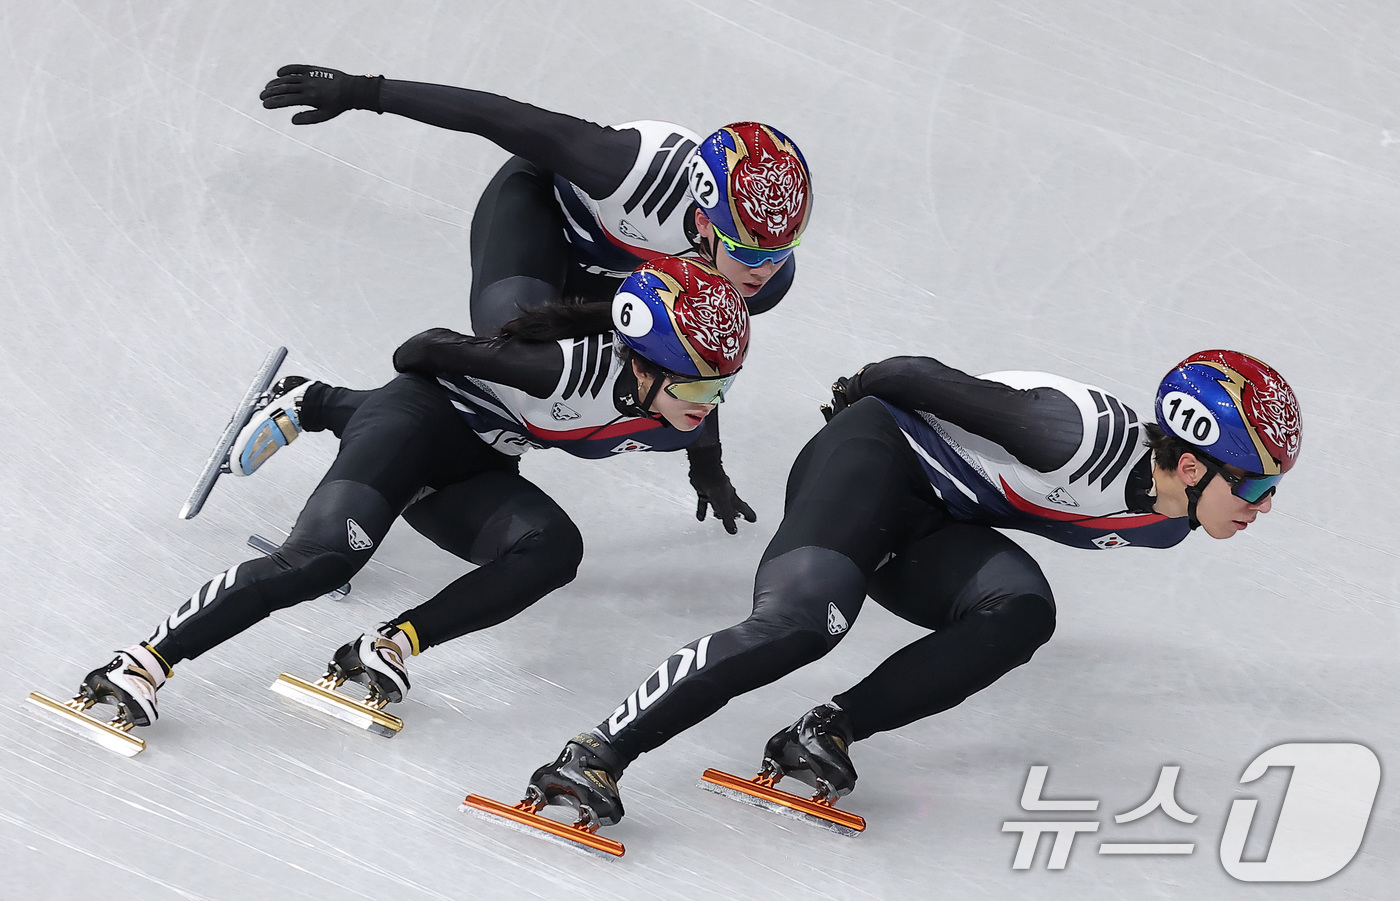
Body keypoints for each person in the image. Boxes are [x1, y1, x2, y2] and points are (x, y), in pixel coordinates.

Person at [519, 349, 1302, 828]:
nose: (1265, 506)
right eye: (1257, 484)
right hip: (871, 460)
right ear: (1191, 464)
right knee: (804, 624)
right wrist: (849, 398)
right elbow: (912, 376)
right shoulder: (1070, 435)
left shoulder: (1171, 522)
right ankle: (599, 750)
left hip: (935, 517)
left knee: (1023, 611)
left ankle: (824, 730)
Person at [69, 256, 751, 733]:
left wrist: (710, 473)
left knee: (555, 550)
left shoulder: (680, 402)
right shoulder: (558, 369)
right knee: (322, 561)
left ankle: (388, 644)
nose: (708, 402)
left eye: (721, 386)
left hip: (480, 463)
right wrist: (472, 366)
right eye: (698, 386)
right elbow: (419, 350)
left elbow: (704, 421)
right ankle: (142, 662)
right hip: (417, 420)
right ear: (643, 364)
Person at [259, 64, 814, 533]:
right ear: (704, 218)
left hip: (616, 279)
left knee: (618, 385)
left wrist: (706, 464)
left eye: (780, 251)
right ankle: (357, 421)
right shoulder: (628, 168)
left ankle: (327, 406)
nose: (764, 270)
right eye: (749, 251)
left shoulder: (760, 278)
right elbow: (498, 117)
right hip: (539, 219)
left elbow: (699, 358)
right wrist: (362, 91)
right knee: (519, 352)